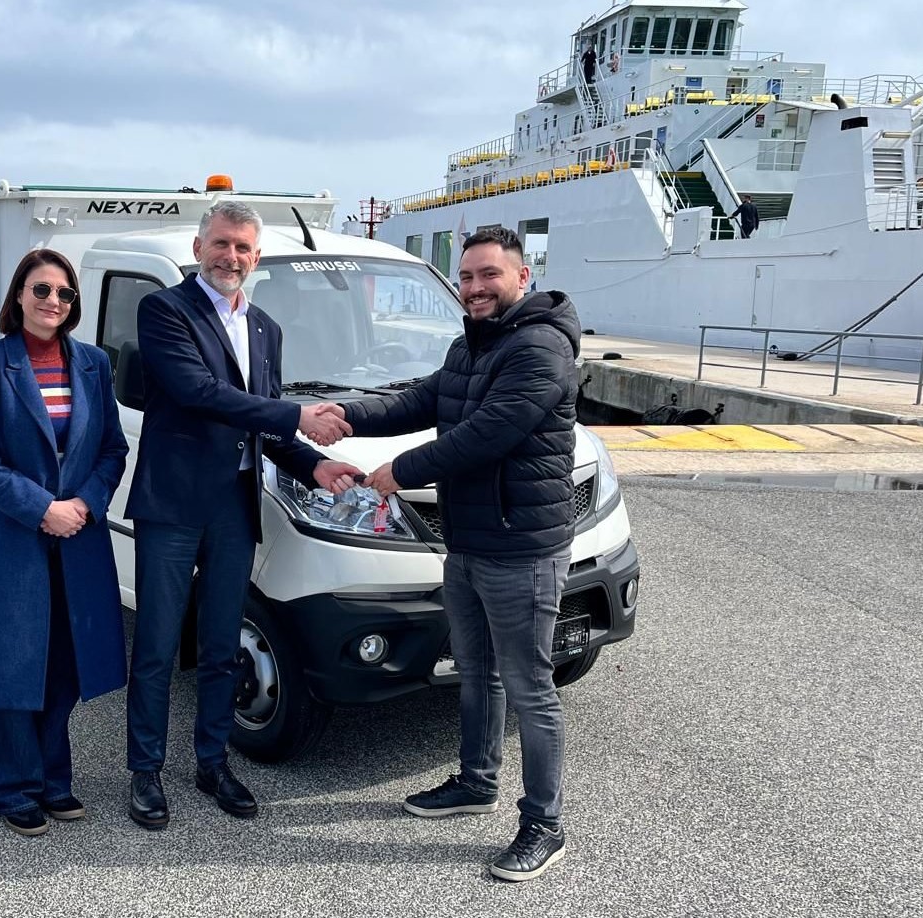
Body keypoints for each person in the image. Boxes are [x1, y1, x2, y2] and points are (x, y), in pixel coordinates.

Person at [327, 226, 582, 882]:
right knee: (477, 671)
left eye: (489, 275)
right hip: (467, 542)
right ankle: (476, 782)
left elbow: (487, 434)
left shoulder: (541, 347)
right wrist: (345, 413)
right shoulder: (471, 345)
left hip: (520, 547)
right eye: (466, 277)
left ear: (522, 277)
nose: (475, 287)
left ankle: (545, 825)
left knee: (529, 687)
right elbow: (420, 399)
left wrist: (400, 470)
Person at [123, 200, 361, 830]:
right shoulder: (164, 310)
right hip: (173, 506)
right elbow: (199, 393)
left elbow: (264, 424)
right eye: (222, 243)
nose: (232, 257)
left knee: (222, 644)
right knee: (156, 645)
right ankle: (145, 771)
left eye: (244, 248)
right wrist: (296, 415)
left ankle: (211, 763)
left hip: (234, 504)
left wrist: (314, 465)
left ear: (256, 258)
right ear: (199, 248)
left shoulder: (264, 329)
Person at [0, 248, 130, 836]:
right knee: (14, 663)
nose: (53, 301)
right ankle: (14, 786)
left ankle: (53, 779)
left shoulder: (93, 364)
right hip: (13, 536)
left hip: (78, 536)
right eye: (41, 289)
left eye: (64, 292)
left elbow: (112, 449)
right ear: (19, 295)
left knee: (66, 663)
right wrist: (43, 510)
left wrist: (83, 505)